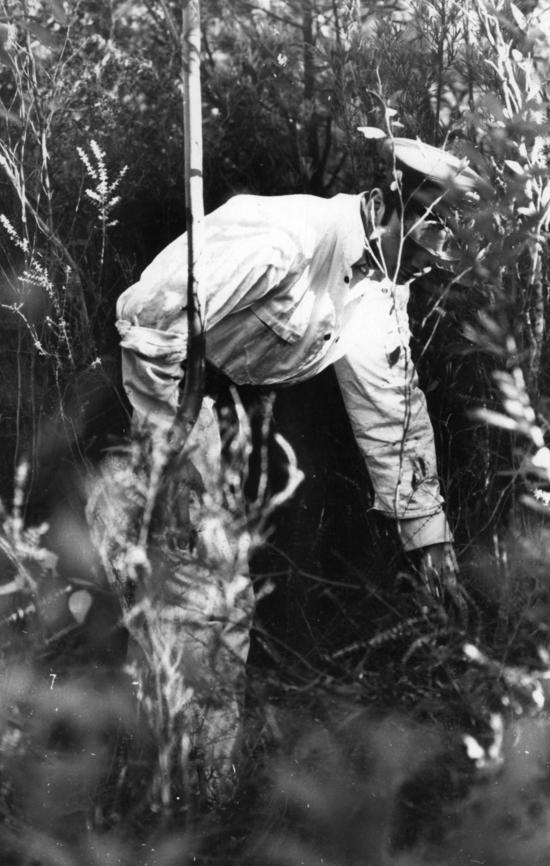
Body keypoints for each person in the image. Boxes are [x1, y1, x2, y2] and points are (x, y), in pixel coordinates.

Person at [98, 137, 490, 793]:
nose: (420, 274)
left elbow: (391, 408)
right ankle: (157, 793)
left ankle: (207, 784)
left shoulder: (376, 279)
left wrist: (432, 547)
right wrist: (171, 454)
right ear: (393, 210)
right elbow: (150, 318)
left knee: (236, 600)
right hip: (153, 397)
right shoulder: (287, 239)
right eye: (421, 253)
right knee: (186, 595)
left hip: (241, 418)